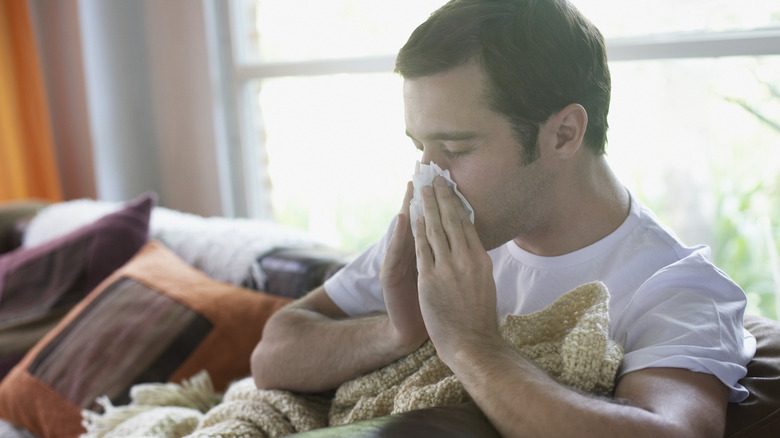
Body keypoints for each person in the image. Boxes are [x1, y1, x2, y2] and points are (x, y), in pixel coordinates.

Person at [251, 0, 755, 436]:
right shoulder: (445, 224)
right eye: (419, 146)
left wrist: (470, 346)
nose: (429, 175)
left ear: (563, 134)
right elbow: (272, 355)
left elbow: (669, 433)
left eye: (455, 147)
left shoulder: (677, 290)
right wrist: (398, 331)